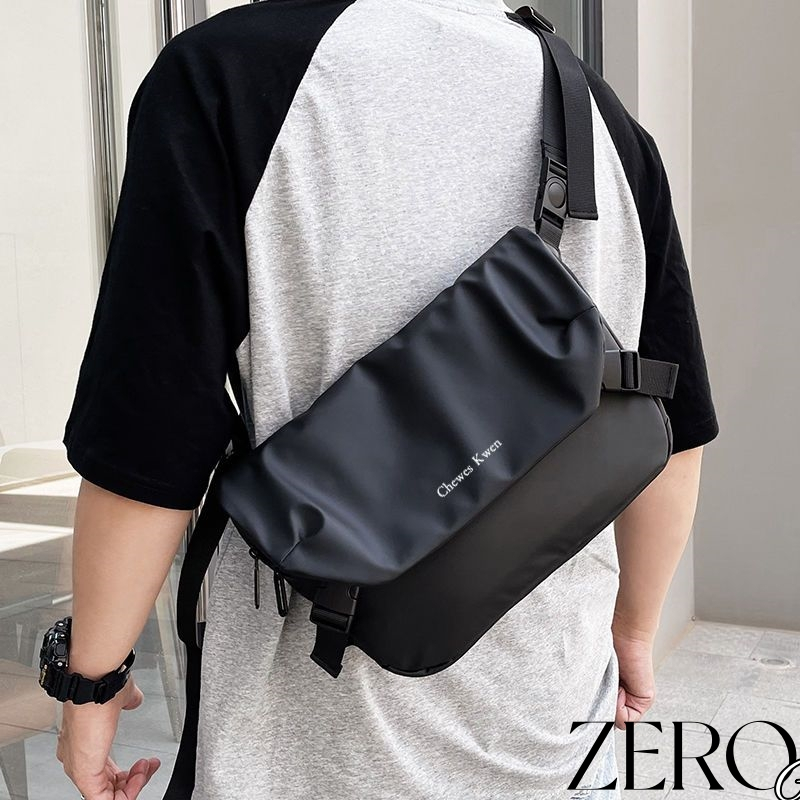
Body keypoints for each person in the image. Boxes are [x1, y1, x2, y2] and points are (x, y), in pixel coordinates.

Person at [52, 0, 719, 798]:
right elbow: (673, 426)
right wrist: (633, 631)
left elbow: (148, 445)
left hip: (314, 740)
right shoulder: (599, 115)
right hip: (556, 719)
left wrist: (90, 684)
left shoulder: (224, 75)